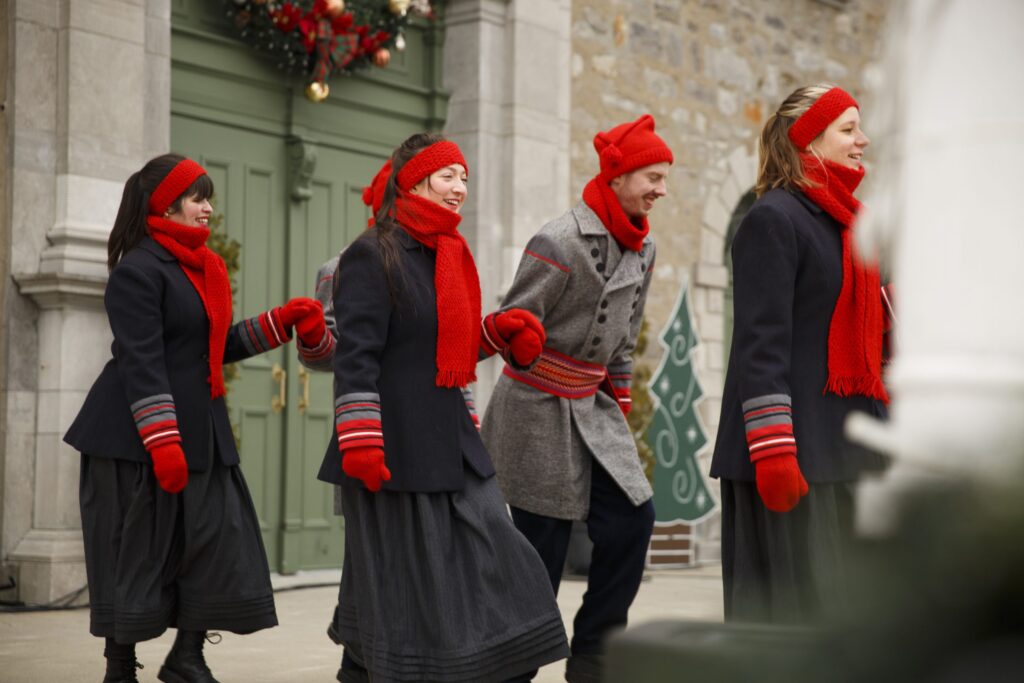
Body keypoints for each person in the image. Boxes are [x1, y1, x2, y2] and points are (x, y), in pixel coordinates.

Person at [64, 154, 328, 683]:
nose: (208, 208)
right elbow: (142, 362)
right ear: (166, 205)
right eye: (197, 198)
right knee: (132, 552)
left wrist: (280, 322)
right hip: (135, 440)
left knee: (215, 544)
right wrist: (163, 443)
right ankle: (120, 668)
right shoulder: (138, 270)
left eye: (208, 198)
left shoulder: (203, 267)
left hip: (201, 432)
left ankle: (186, 657)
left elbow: (209, 347)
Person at [316, 133, 569, 682]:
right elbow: (357, 356)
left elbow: (443, 348)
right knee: (395, 590)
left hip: (451, 442)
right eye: (448, 176)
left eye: (464, 178)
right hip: (391, 452)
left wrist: (497, 334)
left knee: (504, 563)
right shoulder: (371, 254)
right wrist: (360, 440)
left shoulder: (449, 253)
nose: (460, 188)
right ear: (414, 180)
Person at [480, 114, 672, 683]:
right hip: (535, 410)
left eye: (665, 178)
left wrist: (621, 408)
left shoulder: (645, 247)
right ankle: (511, 668)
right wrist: (521, 346)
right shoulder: (559, 240)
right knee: (541, 551)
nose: (662, 190)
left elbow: (624, 338)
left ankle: (594, 656)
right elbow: (512, 323)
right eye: (653, 177)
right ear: (617, 176)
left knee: (634, 519)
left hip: (595, 408)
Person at [709, 84, 890, 623]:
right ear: (808, 140)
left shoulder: (852, 226)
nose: (863, 140)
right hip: (791, 459)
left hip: (846, 455)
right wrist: (774, 454)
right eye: (848, 129)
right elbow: (759, 346)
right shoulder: (774, 219)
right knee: (791, 627)